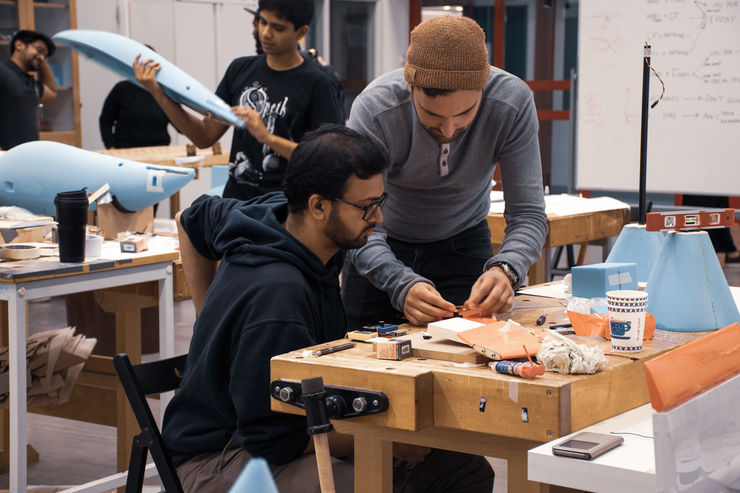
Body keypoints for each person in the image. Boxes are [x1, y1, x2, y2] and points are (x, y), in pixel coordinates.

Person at [163, 124, 494, 492]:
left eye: (380, 203)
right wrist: (386, 439)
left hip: (270, 439)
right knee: (376, 485)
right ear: (318, 205)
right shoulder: (278, 298)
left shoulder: (274, 215)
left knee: (465, 470)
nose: (379, 219)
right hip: (221, 459)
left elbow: (190, 218)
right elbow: (271, 441)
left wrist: (207, 323)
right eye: (366, 208)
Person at [341, 15, 548, 329]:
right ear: (410, 87)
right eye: (432, 115)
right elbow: (356, 220)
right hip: (378, 246)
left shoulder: (511, 103)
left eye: (466, 113)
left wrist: (506, 270)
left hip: (462, 243)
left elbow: (529, 213)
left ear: (484, 88)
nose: (449, 129)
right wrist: (399, 282)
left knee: (473, 359)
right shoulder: (375, 110)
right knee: (359, 364)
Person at [134, 0, 341, 201]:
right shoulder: (240, 69)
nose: (266, 33)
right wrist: (158, 94)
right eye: (262, 22)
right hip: (236, 204)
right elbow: (204, 136)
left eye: (278, 28)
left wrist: (267, 138)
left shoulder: (319, 84)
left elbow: (325, 160)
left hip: (285, 210)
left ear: (301, 32)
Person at [99, 46, 172, 149]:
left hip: (160, 149)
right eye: (142, 64)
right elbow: (105, 121)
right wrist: (110, 146)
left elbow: (181, 125)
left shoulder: (164, 92)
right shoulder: (121, 89)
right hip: (126, 150)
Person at [0, 30, 57, 150]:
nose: (42, 57)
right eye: (39, 50)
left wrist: (42, 60)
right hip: (5, 156)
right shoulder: (2, 71)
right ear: (19, 45)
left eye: (45, 56)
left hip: (28, 155)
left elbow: (52, 92)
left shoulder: (32, 84)